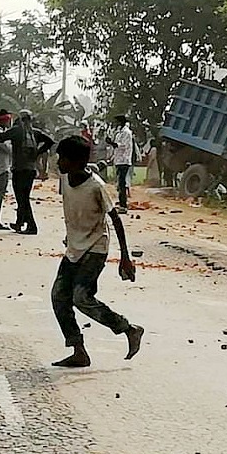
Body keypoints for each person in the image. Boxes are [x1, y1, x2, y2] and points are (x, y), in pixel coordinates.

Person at [51, 135, 144, 368]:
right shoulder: (65, 178)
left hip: (95, 248)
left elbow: (115, 219)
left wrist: (125, 257)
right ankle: (78, 350)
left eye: (62, 158)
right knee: (58, 297)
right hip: (73, 247)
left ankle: (128, 328)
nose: (58, 162)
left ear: (75, 161)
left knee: (81, 298)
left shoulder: (96, 186)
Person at [0, 109, 54, 235]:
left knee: (22, 199)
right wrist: (38, 152)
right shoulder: (36, 132)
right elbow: (50, 141)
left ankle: (32, 226)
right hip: (31, 170)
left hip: (19, 169)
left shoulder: (17, 130)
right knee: (24, 197)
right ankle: (19, 222)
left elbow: (0, 138)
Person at [106, 115, 133, 214]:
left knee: (122, 184)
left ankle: (123, 206)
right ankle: (122, 202)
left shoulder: (127, 132)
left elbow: (123, 146)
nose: (115, 124)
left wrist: (112, 143)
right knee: (119, 183)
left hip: (124, 160)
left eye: (116, 122)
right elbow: (116, 148)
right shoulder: (119, 132)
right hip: (118, 160)